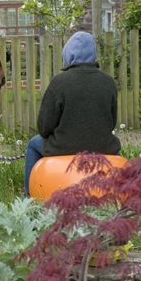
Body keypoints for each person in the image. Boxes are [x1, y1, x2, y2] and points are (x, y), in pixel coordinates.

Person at [24, 31, 121, 196]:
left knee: (33, 144)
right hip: (103, 148)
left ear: (68, 54)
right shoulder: (108, 81)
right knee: (117, 154)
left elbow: (44, 128)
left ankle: (28, 196)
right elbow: (111, 122)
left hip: (63, 148)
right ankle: (119, 192)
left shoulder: (59, 82)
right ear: (93, 53)